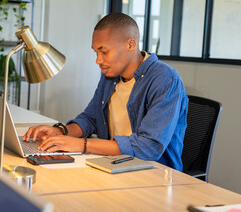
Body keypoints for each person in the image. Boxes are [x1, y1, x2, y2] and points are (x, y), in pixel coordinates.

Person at [23, 13, 188, 171]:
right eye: (96, 52)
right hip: (113, 165)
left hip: (154, 174)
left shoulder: (165, 79)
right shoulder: (111, 76)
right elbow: (91, 118)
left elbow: (148, 147)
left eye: (104, 51)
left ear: (130, 44)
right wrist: (61, 132)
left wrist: (82, 145)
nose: (98, 60)